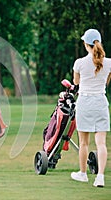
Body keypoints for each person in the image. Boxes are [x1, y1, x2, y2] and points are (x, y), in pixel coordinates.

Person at [71, 29, 111, 187]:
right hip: (100, 102)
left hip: (85, 103)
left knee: (84, 143)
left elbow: (76, 82)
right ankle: (100, 177)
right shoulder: (108, 62)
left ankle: (83, 174)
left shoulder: (79, 63)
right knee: (101, 143)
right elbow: (106, 82)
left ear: (85, 44)